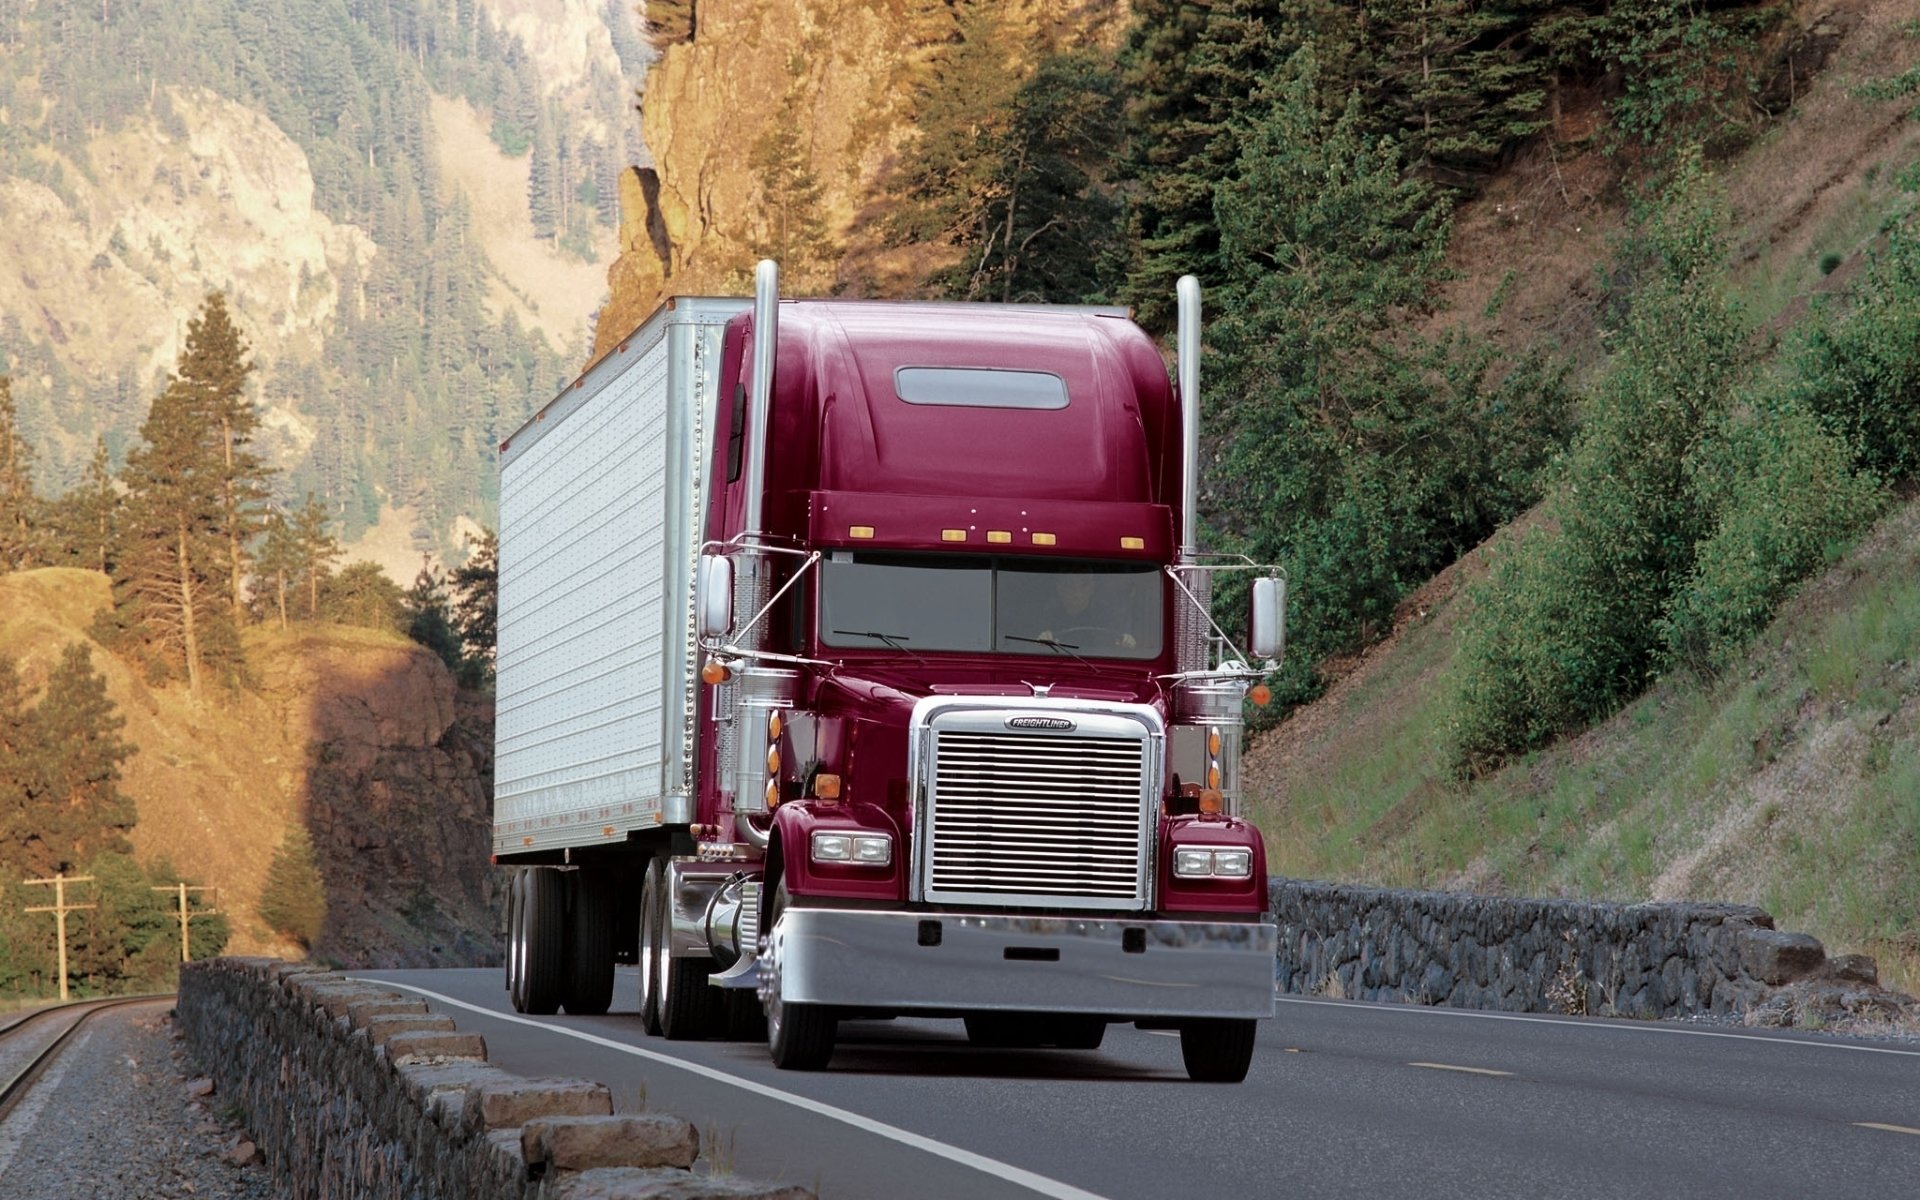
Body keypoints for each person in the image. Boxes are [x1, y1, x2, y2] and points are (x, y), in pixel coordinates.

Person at [1037, 574, 1137, 649]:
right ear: (1059, 588)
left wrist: (1127, 642)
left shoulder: (1105, 615)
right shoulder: (1046, 615)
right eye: (1069, 585)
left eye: (1083, 585)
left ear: (1092, 588)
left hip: (1099, 668)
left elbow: (1119, 640)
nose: (1076, 592)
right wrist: (1042, 641)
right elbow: (1031, 645)